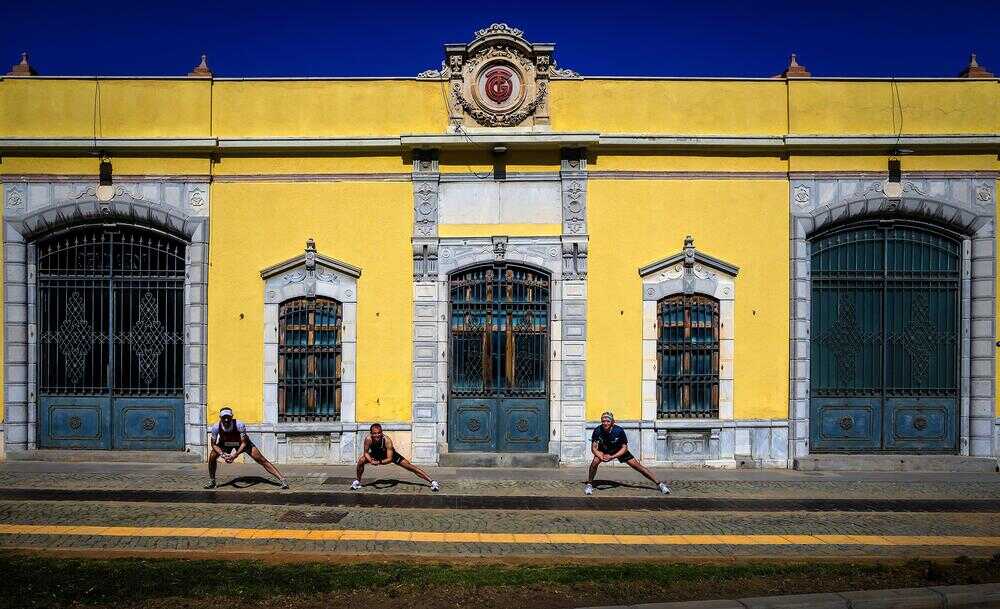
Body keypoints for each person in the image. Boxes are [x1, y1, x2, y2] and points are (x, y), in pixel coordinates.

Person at [585, 411, 670, 496]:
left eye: (608, 421)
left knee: (639, 467)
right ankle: (589, 484)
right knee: (594, 463)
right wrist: (601, 455)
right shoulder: (597, 430)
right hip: (603, 451)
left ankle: (660, 484)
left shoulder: (619, 430)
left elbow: (624, 448)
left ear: (612, 422)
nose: (605, 423)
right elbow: (594, 448)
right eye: (603, 421)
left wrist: (612, 457)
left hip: (618, 450)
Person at [205, 407, 288, 489]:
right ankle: (212, 481)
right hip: (225, 444)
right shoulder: (216, 427)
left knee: (261, 459)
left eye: (228, 417)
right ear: (220, 417)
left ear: (232, 416)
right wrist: (222, 454)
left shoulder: (239, 425)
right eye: (224, 417)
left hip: (241, 443)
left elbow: (244, 442)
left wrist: (235, 455)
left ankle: (282, 480)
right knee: (212, 456)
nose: (226, 420)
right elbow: (213, 444)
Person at [352, 423, 439, 491]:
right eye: (374, 433)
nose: (377, 435)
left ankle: (432, 482)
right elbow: (366, 453)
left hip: (390, 455)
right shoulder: (368, 439)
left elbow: (389, 459)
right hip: (375, 454)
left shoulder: (387, 440)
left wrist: (379, 462)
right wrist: (371, 461)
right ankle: (358, 482)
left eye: (379, 433)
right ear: (371, 434)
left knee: (410, 467)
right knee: (361, 461)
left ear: (382, 432)